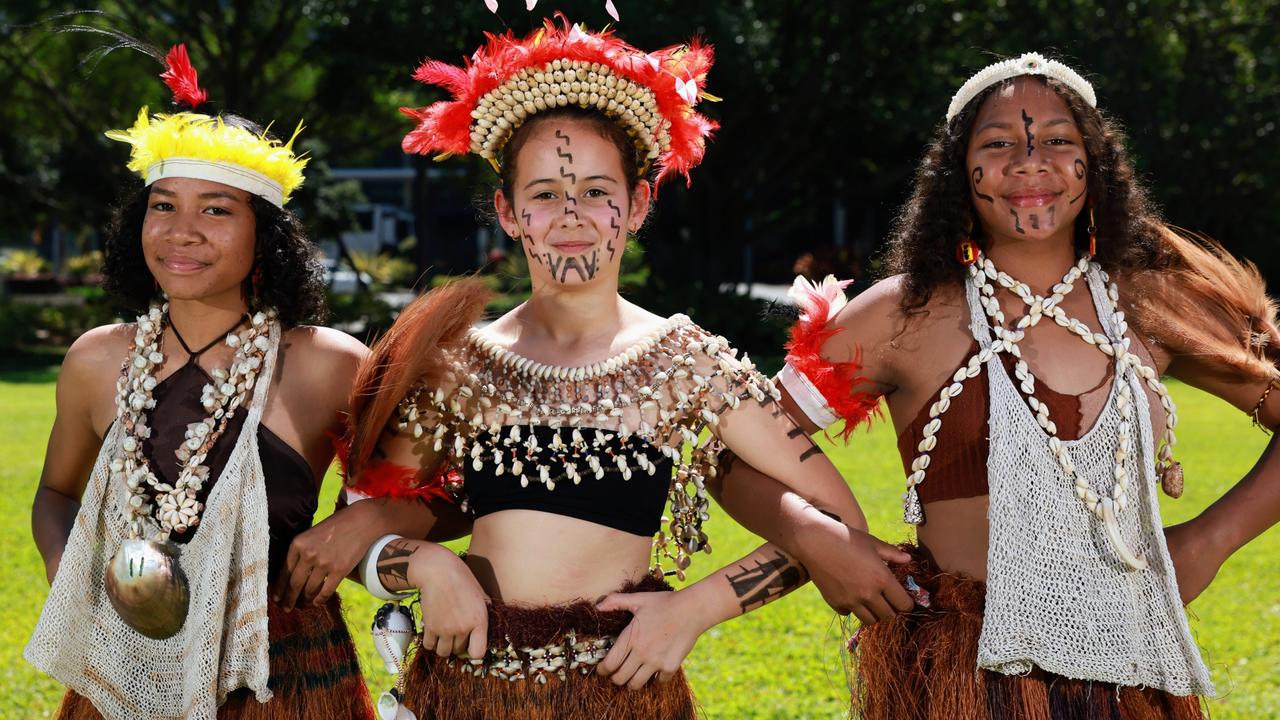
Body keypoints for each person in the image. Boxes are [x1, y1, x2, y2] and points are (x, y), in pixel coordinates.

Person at [275, 18, 912, 720]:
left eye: (598, 192)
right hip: (465, 694)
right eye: (545, 193)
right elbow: (360, 531)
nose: (571, 213)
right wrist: (428, 566)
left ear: (638, 206)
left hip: (623, 692)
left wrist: (696, 608)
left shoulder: (685, 362)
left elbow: (838, 525)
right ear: (509, 213)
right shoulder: (456, 365)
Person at [721, 51, 1280, 719]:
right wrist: (818, 540)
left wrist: (1211, 539)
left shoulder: (1151, 304)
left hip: (1130, 671)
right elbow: (732, 452)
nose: (1029, 161)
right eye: (999, 144)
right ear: (959, 173)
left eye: (1057, 142)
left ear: (1094, 165)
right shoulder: (904, 315)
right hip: (963, 676)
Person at [25, 45, 374, 720]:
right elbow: (55, 492)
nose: (182, 232)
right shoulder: (97, 360)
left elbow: (434, 497)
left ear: (264, 235)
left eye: (216, 210)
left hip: (282, 676)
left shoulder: (328, 363)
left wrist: (368, 519)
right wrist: (71, 573)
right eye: (164, 206)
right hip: (124, 671)